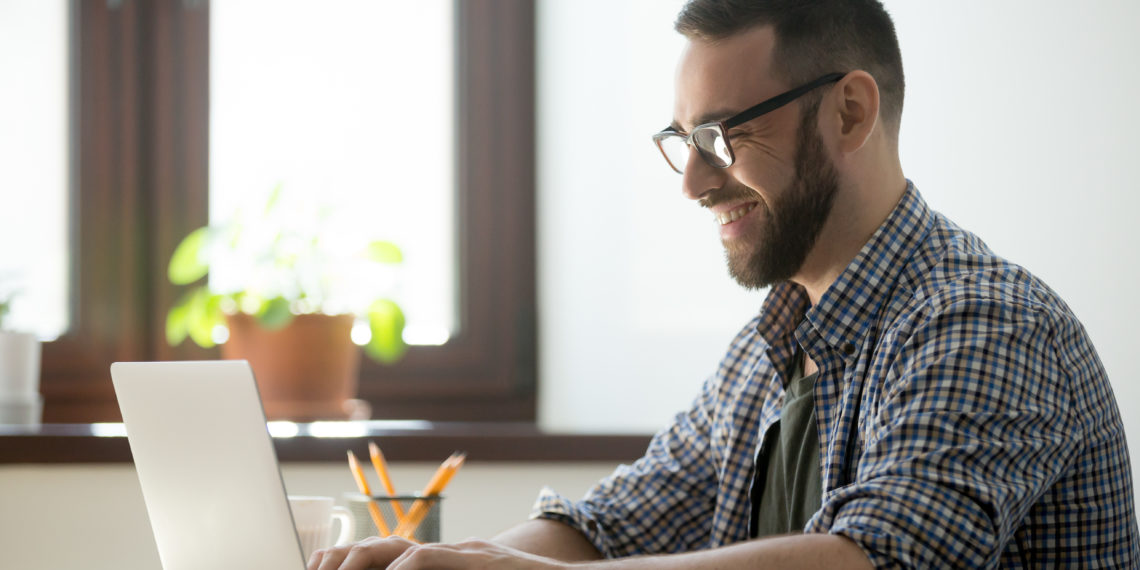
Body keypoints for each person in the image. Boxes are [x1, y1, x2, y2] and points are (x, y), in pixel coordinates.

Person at [309, 1, 1139, 568]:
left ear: (849, 112)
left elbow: (877, 556)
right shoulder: (769, 346)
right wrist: (446, 559)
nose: (694, 183)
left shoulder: (985, 322)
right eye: (683, 139)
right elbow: (612, 526)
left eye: (721, 135)